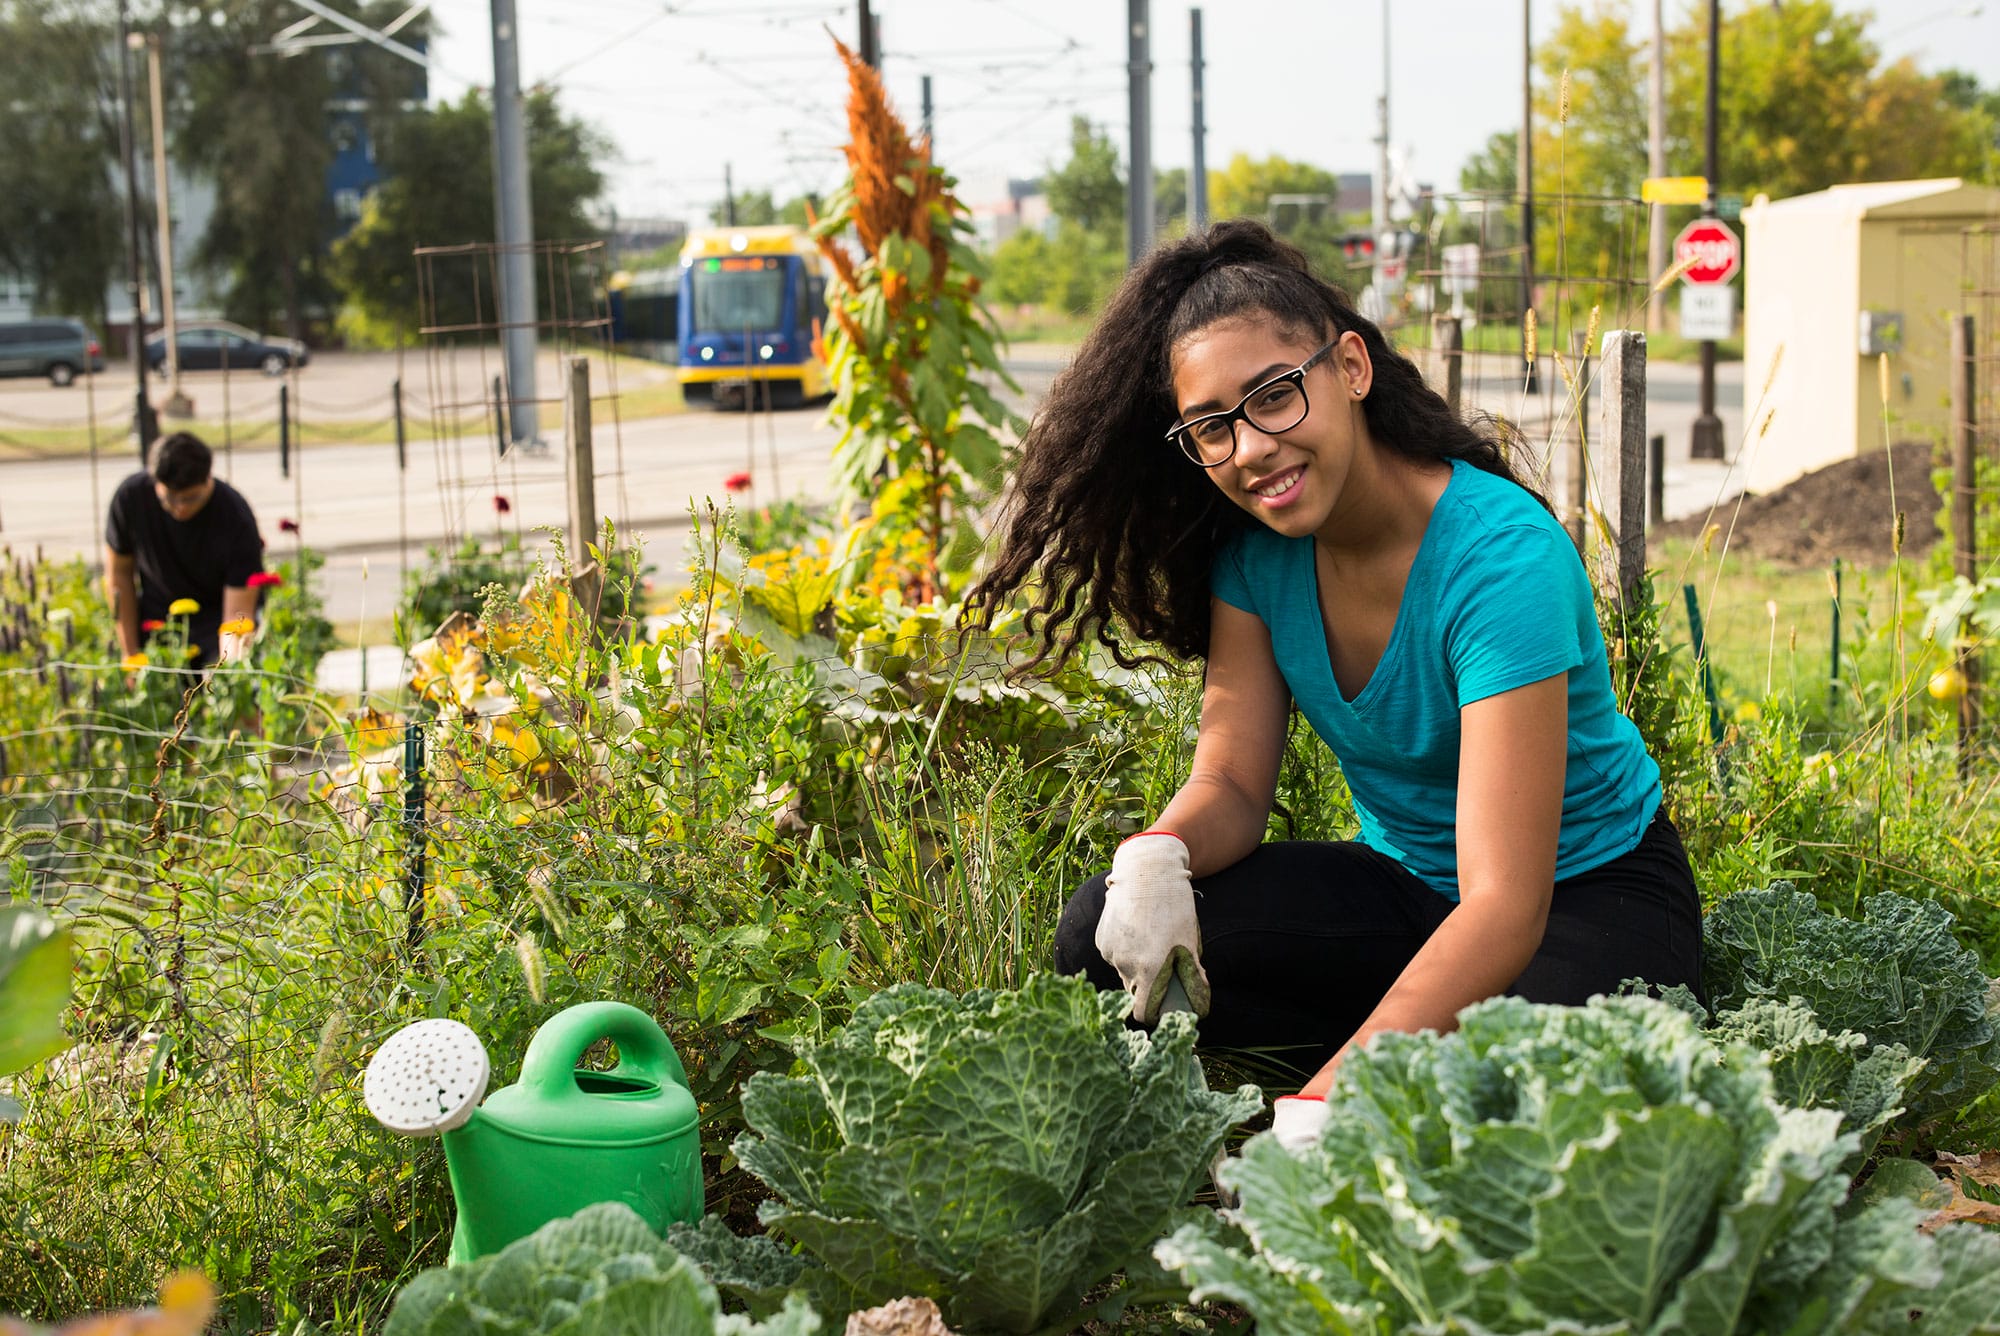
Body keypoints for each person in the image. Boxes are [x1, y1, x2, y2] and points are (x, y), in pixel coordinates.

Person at [962, 220, 1702, 1149]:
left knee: (1511, 1113)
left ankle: (1376, 1064)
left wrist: (1327, 1105)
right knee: (1098, 936)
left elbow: (1505, 902)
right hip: (1409, 891)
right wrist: (1157, 853)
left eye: (1273, 395)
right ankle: (1393, 1042)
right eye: (1211, 425)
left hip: (1585, 899)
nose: (1250, 448)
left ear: (1350, 368)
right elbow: (1231, 787)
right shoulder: (1257, 556)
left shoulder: (1497, 559)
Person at [106, 431, 266, 667]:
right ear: (155, 481)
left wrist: (227, 676)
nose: (180, 508)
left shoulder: (235, 517)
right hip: (159, 626)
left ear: (208, 479)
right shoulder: (130, 499)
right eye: (169, 498)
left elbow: (237, 615)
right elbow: (119, 574)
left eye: (191, 498)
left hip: (216, 625)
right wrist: (130, 655)